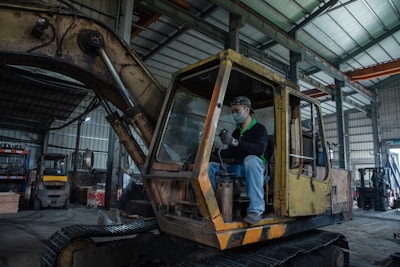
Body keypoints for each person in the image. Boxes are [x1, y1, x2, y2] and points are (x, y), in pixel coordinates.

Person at [207, 96, 268, 224]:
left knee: (250, 160)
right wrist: (213, 151)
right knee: (210, 167)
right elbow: (231, 152)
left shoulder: (260, 129)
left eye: (237, 110)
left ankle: (256, 211)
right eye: (233, 111)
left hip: (253, 169)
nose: (234, 114)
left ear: (246, 110)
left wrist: (235, 142)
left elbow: (259, 149)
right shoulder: (237, 131)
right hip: (237, 168)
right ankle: (211, 207)